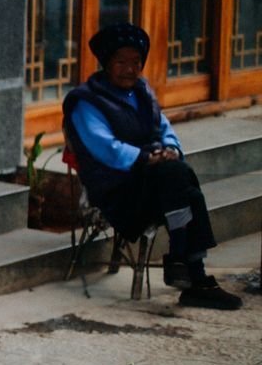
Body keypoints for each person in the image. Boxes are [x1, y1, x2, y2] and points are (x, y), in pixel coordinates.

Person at [62, 22, 241, 310]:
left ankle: (191, 273)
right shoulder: (85, 101)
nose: (129, 69)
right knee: (179, 179)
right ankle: (190, 269)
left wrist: (170, 149)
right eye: (121, 62)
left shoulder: (142, 92)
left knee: (180, 180)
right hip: (115, 189)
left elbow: (164, 127)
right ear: (106, 63)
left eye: (136, 62)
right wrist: (146, 157)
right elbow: (105, 148)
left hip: (154, 184)